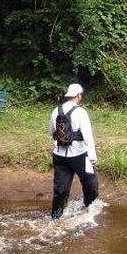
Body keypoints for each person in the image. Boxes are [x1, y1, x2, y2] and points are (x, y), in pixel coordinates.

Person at [49, 83, 98, 219]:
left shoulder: (55, 110)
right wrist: (92, 156)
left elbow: (51, 132)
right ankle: (90, 211)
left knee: (60, 189)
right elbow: (88, 136)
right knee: (90, 182)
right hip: (79, 155)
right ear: (78, 96)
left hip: (59, 155)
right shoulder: (81, 112)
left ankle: (56, 216)